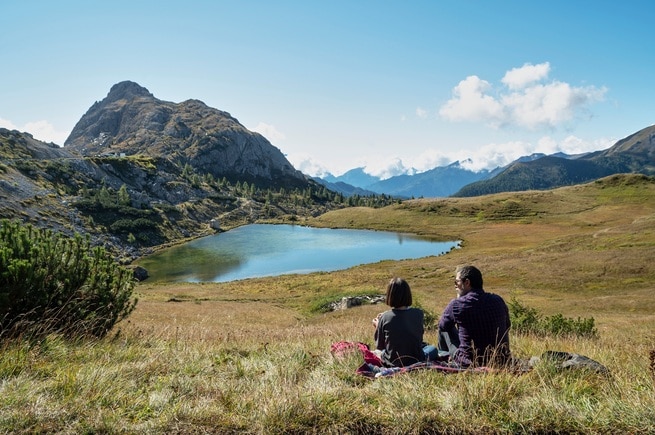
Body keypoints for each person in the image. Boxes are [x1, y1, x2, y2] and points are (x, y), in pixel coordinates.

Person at [437, 265, 511, 368]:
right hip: (501, 360)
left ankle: (445, 358)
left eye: (457, 282)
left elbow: (442, 325)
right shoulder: (498, 300)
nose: (455, 286)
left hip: (469, 362)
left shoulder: (457, 304)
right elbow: (507, 325)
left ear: (467, 282)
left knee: (444, 329)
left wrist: (458, 299)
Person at [372, 277, 430, 367]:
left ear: (390, 295)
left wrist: (378, 325)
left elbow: (380, 345)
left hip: (392, 362)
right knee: (432, 349)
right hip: (417, 360)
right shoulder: (419, 313)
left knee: (379, 352)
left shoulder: (385, 317)